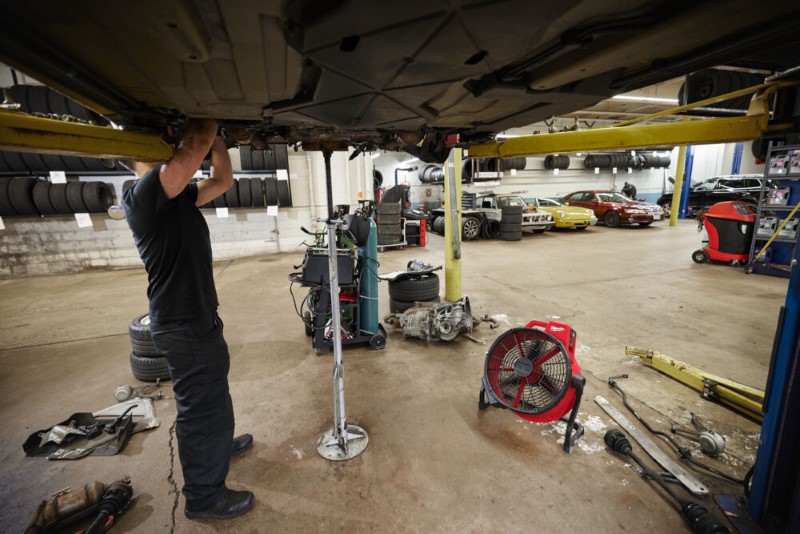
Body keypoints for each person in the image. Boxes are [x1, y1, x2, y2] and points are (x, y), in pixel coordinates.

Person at [121, 118, 254, 520]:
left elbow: (223, 181)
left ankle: (219, 446)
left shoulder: (174, 196)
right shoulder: (144, 195)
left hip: (196, 317)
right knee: (201, 409)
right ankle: (204, 497)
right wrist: (209, 115)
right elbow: (194, 146)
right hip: (182, 323)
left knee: (213, 394)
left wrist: (221, 140)